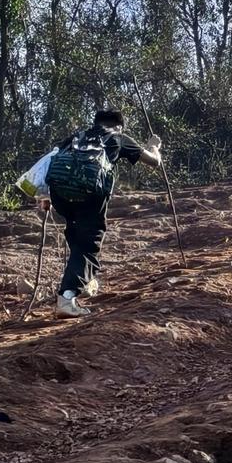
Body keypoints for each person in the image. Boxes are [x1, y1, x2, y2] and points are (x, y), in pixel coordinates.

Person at [43, 109, 164, 317]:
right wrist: (153, 146)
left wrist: (43, 197)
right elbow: (154, 161)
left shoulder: (76, 137)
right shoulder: (118, 138)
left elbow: (51, 161)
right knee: (89, 246)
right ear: (119, 126)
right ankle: (66, 298)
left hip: (60, 197)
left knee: (77, 237)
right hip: (91, 197)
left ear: (96, 123)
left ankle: (82, 282)